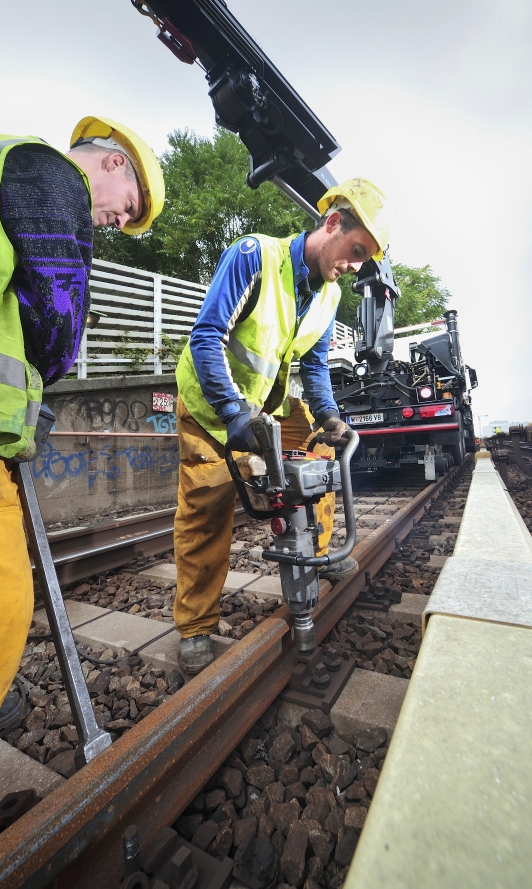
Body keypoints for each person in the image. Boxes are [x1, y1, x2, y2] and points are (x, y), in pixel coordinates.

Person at [0, 116, 165, 799]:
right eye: (124, 208)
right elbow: (56, 305)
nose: (111, 221)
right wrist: (37, 383)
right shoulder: (55, 176)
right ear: (112, 165)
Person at [173, 178, 390, 674]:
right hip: (212, 405)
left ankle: (318, 555)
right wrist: (232, 413)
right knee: (207, 510)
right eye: (356, 251)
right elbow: (207, 336)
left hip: (262, 407)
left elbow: (313, 365)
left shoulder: (331, 294)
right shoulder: (255, 255)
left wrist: (329, 414)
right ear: (332, 223)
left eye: (365, 260)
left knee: (322, 451)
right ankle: (195, 626)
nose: (356, 267)